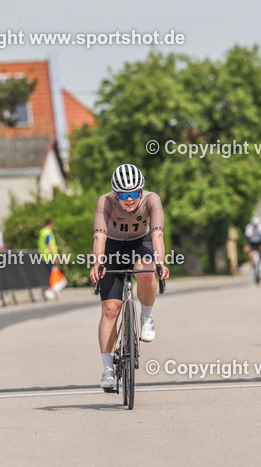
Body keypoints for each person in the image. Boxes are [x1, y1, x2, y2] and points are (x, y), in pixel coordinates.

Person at [90, 163, 169, 391]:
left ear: (141, 191)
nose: (129, 199)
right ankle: (107, 369)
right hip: (113, 246)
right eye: (124, 194)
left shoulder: (152, 199)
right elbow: (99, 239)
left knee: (146, 270)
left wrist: (160, 261)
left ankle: (146, 317)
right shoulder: (105, 202)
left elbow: (158, 235)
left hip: (140, 243)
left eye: (134, 193)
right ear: (116, 193)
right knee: (110, 309)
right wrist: (97, 262)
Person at [39, 218, 65, 299]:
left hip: (42, 255)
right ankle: (50, 291)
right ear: (51, 224)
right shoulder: (48, 232)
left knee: (46, 274)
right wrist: (55, 256)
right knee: (51, 274)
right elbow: (49, 243)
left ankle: (47, 290)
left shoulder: (42, 231)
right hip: (49, 256)